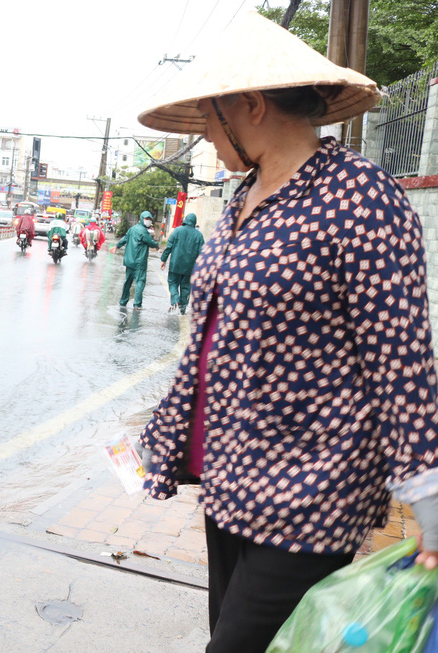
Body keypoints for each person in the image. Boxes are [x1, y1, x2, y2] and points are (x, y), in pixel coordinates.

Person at [135, 11, 438, 652]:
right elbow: (213, 343)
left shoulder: (362, 198)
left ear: (249, 106)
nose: (207, 139)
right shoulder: (244, 197)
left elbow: (401, 363)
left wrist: (431, 508)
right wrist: (160, 433)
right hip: (231, 480)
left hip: (313, 491)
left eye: (211, 119)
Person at [111, 211, 159, 309]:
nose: (148, 221)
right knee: (140, 282)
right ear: (142, 219)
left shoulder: (132, 229)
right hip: (139, 262)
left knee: (128, 282)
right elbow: (150, 242)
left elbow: (125, 238)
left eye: (150, 219)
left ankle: (123, 301)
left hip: (129, 261)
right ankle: (137, 304)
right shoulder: (143, 232)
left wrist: (116, 246)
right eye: (147, 219)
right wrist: (157, 245)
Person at [159, 213, 205, 315]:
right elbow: (202, 253)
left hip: (175, 265)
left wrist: (163, 259)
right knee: (185, 287)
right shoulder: (199, 235)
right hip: (189, 268)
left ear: (185, 220)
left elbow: (169, 247)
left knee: (173, 283)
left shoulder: (177, 231)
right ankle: (183, 309)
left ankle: (175, 300)